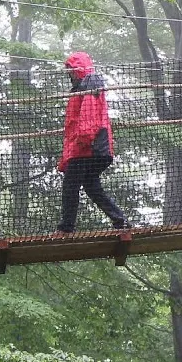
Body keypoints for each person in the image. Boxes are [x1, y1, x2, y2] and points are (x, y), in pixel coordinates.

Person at [57, 50, 127, 233]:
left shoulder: (90, 82)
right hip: (91, 147)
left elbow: (89, 113)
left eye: (71, 70)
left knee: (71, 186)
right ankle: (120, 220)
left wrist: (83, 140)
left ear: (77, 69)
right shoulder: (82, 86)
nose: (70, 74)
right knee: (90, 184)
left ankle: (66, 228)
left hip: (87, 147)